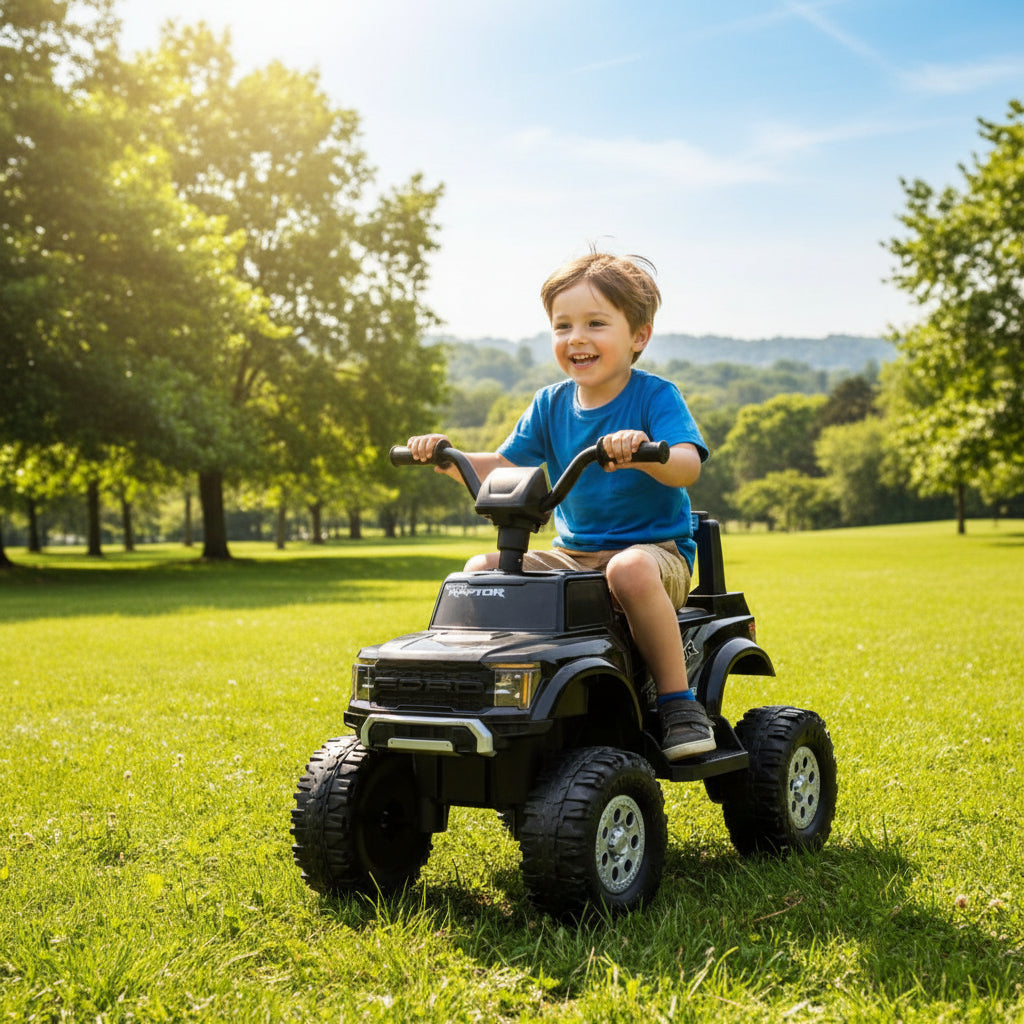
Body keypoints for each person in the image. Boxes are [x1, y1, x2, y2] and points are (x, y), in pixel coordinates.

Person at [407, 250, 715, 760]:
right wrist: (450, 455)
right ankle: (486, 691)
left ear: (639, 336)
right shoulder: (550, 404)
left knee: (630, 569)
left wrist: (641, 453)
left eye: (596, 323)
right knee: (479, 571)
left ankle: (678, 705)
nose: (576, 338)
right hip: (574, 554)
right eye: (562, 325)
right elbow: (506, 463)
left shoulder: (655, 396)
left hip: (656, 555)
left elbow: (686, 464)